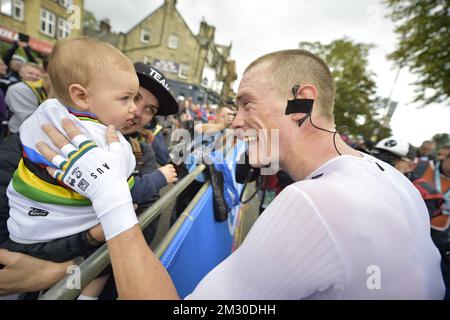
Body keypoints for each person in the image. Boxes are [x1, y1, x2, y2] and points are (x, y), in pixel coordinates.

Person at [0, 49, 445, 300]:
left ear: (301, 103)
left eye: (247, 103)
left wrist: (108, 193)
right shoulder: (389, 176)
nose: (233, 122)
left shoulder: (314, 203)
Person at [2, 36, 143, 300]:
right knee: (100, 268)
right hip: (57, 238)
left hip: (22, 231)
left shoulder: (42, 118)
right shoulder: (106, 139)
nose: (134, 109)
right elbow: (123, 180)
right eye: (126, 98)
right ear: (81, 96)